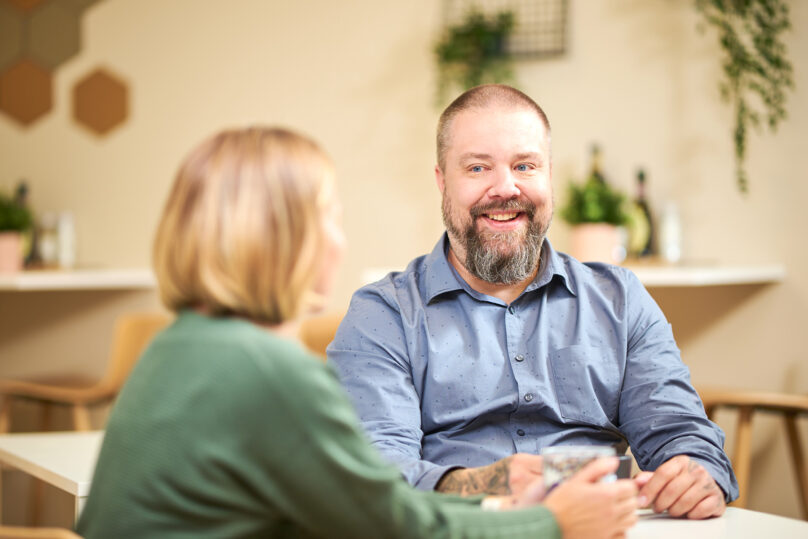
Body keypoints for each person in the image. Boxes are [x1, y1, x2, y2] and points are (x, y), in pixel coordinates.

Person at [77, 126, 639, 538]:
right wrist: (552, 525)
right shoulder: (266, 371)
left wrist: (505, 513)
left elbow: (368, 510)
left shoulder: (183, 345)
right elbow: (392, 529)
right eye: (329, 216)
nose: (337, 241)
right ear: (280, 235)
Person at [327, 84, 739, 520]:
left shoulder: (621, 301)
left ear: (548, 175)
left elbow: (683, 437)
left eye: (524, 165)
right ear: (442, 181)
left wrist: (697, 474)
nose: (505, 188)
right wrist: (493, 482)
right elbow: (374, 474)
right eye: (478, 168)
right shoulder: (383, 314)